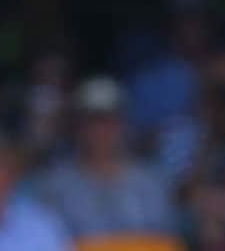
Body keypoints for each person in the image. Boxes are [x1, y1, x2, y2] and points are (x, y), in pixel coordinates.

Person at [35, 77, 176, 242]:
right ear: (78, 127)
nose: (102, 131)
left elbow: (167, 240)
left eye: (109, 121)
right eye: (93, 122)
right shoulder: (55, 187)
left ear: (123, 124)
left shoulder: (151, 182)